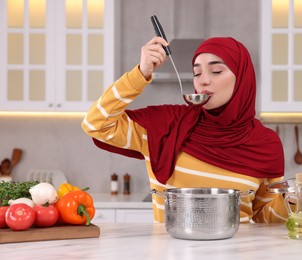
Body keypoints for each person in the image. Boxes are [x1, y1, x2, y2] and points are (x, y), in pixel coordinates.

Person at [82, 36, 290, 223]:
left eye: (216, 71)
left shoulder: (265, 143)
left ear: (243, 78)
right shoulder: (165, 125)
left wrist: (294, 200)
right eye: (196, 73)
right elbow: (96, 123)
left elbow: (264, 216)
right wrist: (140, 73)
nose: (203, 80)